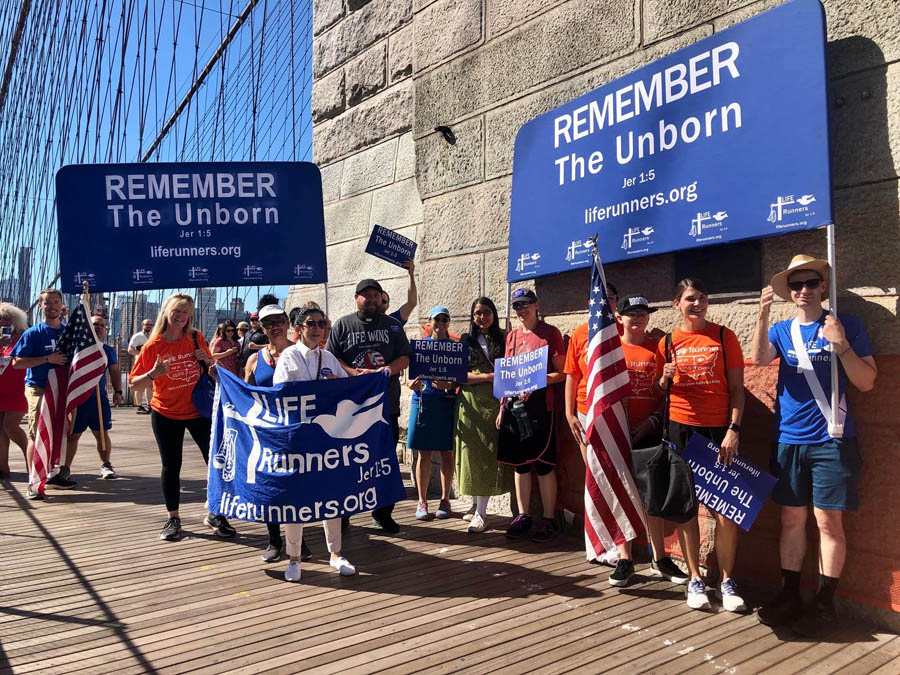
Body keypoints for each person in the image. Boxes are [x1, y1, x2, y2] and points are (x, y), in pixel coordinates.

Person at [753, 255, 876, 636]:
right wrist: (761, 317)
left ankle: (824, 601)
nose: (803, 290)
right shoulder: (782, 330)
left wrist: (841, 347)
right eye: (796, 285)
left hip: (832, 439)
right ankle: (790, 593)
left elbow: (867, 381)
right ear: (789, 292)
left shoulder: (845, 325)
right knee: (791, 520)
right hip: (789, 439)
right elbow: (759, 360)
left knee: (828, 522)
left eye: (810, 283)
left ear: (823, 286)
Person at [656, 278, 746, 611]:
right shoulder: (667, 342)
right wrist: (663, 377)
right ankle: (695, 578)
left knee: (725, 513)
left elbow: (737, 389)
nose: (698, 303)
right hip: (682, 430)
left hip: (718, 431)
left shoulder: (725, 336)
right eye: (691, 299)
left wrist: (733, 428)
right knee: (686, 508)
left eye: (702, 298)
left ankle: (726, 581)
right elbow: (659, 390)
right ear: (676, 303)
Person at [129, 293, 237, 541]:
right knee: (171, 465)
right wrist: (154, 374)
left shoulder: (196, 337)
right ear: (167, 312)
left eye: (185, 312)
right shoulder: (154, 345)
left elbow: (210, 368)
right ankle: (173, 518)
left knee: (215, 462)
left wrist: (207, 360)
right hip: (165, 413)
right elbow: (134, 384)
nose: (180, 316)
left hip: (198, 410)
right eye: (176, 311)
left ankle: (216, 512)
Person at [273, 305, 357, 581]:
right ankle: (294, 558)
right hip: (297, 440)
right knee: (296, 500)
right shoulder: (288, 357)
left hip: (325, 439)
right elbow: (282, 394)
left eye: (322, 323)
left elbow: (348, 391)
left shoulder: (329, 357)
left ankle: (335, 553)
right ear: (299, 329)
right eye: (312, 323)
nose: (318, 328)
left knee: (330, 496)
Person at [326, 278, 412, 533]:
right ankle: (343, 514)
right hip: (350, 410)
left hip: (386, 407)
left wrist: (388, 370)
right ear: (356, 298)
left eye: (375, 295)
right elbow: (331, 359)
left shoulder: (393, 326)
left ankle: (383, 513)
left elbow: (405, 358)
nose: (371, 299)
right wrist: (353, 373)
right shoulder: (342, 325)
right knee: (346, 462)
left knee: (385, 461)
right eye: (366, 295)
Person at [498, 288, 566, 543]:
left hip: (542, 407)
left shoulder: (551, 333)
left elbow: (562, 373)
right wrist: (502, 407)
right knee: (520, 464)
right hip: (515, 408)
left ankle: (548, 519)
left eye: (525, 303)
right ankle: (524, 515)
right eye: (516, 305)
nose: (521, 309)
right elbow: (507, 375)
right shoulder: (512, 337)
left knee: (544, 465)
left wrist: (536, 382)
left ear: (537, 305)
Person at [243, 304, 309, 563]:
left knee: (297, 488)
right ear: (262, 327)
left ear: (287, 322)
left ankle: (297, 541)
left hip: (297, 431)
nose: (275, 326)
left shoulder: (303, 354)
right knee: (270, 486)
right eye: (269, 323)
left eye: (279, 321)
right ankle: (273, 540)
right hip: (267, 434)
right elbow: (245, 396)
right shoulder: (254, 359)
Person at [455, 297, 513, 533]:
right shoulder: (465, 340)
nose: (482, 317)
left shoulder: (504, 337)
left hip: (494, 402)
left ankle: (482, 512)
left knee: (488, 454)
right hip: (470, 401)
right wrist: (487, 377)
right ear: (472, 316)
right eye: (478, 313)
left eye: (487, 312)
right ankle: (475, 505)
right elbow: (458, 375)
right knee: (472, 454)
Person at [12, 289, 71, 497]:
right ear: (41, 306)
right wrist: (47, 359)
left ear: (61, 305)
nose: (53, 306)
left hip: (62, 389)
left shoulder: (68, 332)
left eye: (56, 302)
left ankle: (53, 474)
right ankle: (33, 480)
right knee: (36, 434)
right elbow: (17, 363)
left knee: (58, 432)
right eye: (48, 303)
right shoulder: (33, 333)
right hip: (39, 387)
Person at [408, 305, 457, 521]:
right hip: (422, 402)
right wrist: (412, 384)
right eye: (437, 319)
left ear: (448, 323)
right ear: (430, 322)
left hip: (445, 403)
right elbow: (409, 377)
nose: (441, 323)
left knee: (447, 453)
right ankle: (422, 501)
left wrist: (446, 385)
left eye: (445, 319)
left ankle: (445, 500)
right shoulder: (419, 347)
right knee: (423, 454)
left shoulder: (455, 348)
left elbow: (459, 380)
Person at [66, 314, 122, 479]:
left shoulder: (107, 350)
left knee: (102, 433)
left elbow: (114, 370)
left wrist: (118, 392)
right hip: (78, 398)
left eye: (101, 325)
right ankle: (65, 468)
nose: (98, 327)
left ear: (105, 330)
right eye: (94, 324)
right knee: (73, 435)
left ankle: (106, 464)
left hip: (98, 399)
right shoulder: (76, 348)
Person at [0, 303, 29, 481]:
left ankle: (31, 457)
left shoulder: (23, 338)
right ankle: (3, 468)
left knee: (10, 426)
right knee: (0, 431)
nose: (3, 322)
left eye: (7, 319)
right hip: (1, 389)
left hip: (19, 390)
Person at [381, 259, 418, 326]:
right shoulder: (362, 321)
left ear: (387, 306)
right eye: (378, 300)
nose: (380, 303)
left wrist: (411, 274)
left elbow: (411, 303)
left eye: (383, 301)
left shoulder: (392, 321)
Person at [128, 318, 154, 413]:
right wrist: (141, 354)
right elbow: (130, 350)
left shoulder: (153, 336)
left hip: (151, 364)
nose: (149, 326)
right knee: (140, 386)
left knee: (150, 386)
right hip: (140, 365)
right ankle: (139, 406)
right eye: (147, 324)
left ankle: (150, 405)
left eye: (150, 324)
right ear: (142, 325)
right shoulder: (137, 336)